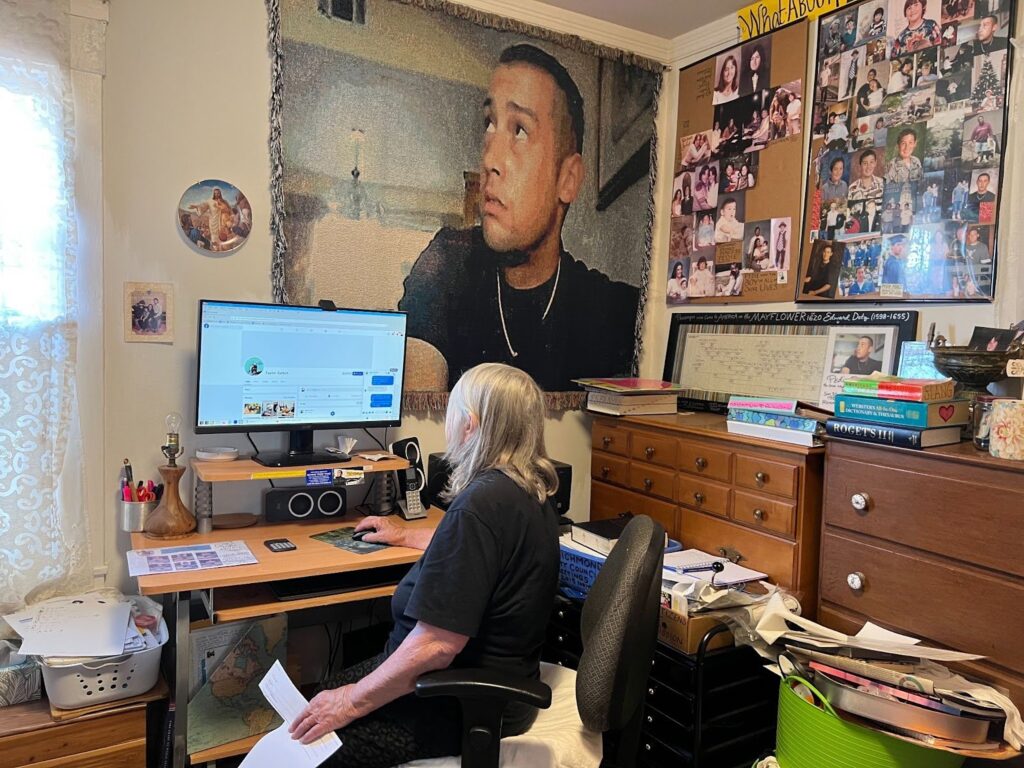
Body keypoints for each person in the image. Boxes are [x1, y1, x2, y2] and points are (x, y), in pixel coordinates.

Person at [290, 363, 559, 764]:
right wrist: (403, 536)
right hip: (488, 688)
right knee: (309, 702)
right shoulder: (524, 489)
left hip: (456, 701)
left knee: (303, 746)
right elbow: (477, 550)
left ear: (470, 424)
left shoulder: (482, 506)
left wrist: (350, 703)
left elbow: (435, 647)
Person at [398, 44, 638, 391]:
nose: (490, 159)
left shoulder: (608, 312)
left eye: (520, 130)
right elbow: (418, 416)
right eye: (489, 124)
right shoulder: (450, 261)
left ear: (567, 179)